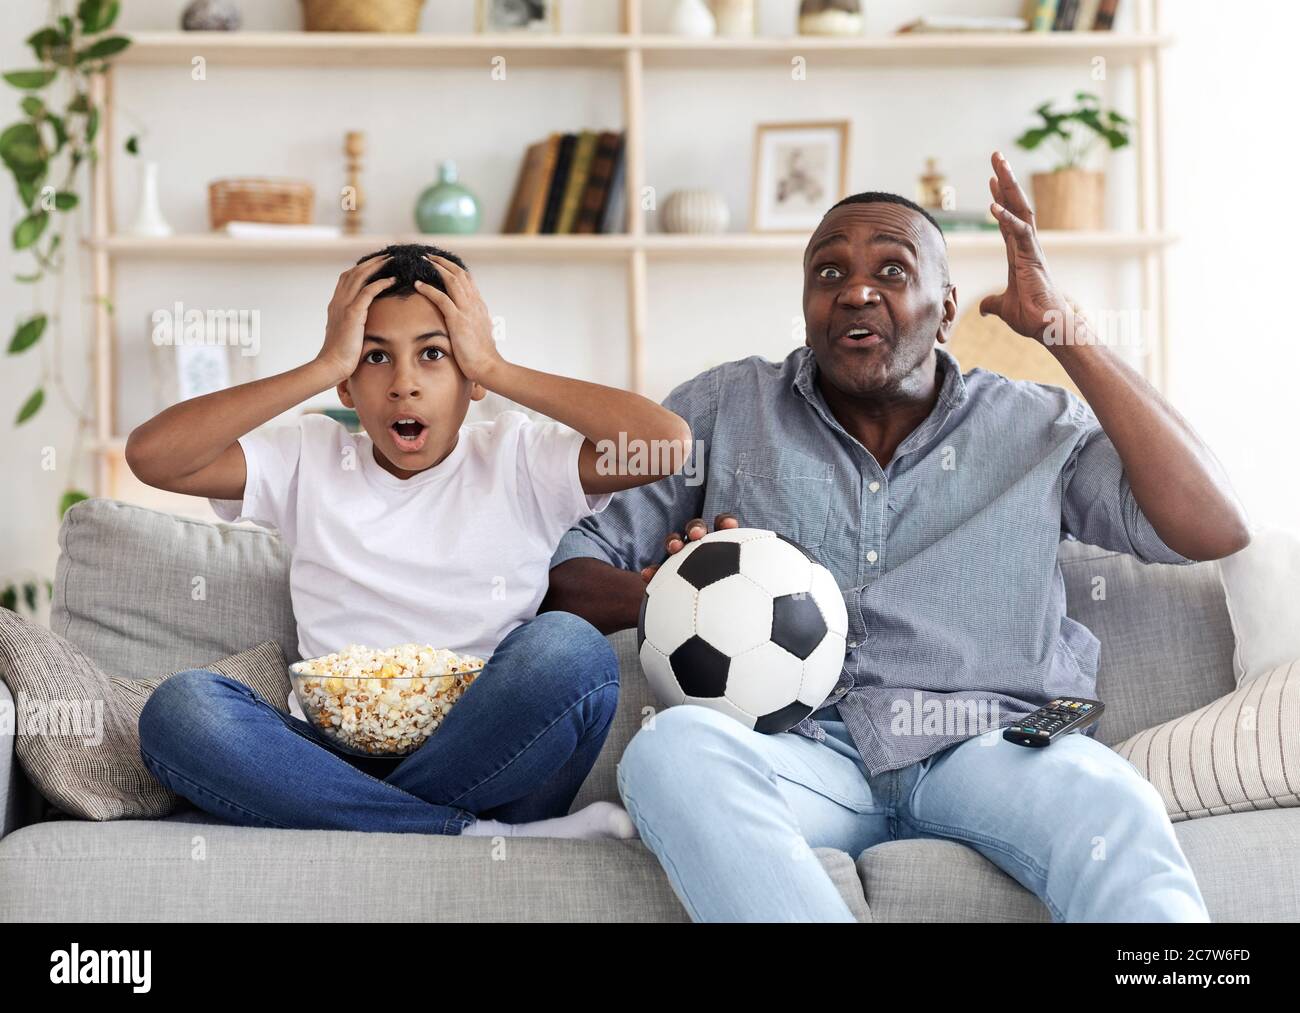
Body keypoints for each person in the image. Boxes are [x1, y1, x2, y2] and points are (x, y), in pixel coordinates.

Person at [542, 151, 1250, 919]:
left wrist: (1063, 328)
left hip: (990, 749)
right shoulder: (724, 406)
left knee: (1113, 801)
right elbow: (571, 570)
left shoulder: (1038, 426)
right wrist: (667, 590)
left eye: (891, 269)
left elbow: (1212, 527)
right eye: (828, 273)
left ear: (946, 309)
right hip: (801, 754)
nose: (855, 290)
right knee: (669, 753)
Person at [128, 243, 691, 839]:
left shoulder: (519, 457)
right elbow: (152, 457)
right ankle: (465, 834)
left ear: (469, 375)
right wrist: (321, 366)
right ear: (347, 384)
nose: (404, 385)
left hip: (492, 754)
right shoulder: (308, 457)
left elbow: (667, 445)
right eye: (374, 357)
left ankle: (380, 820)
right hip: (329, 756)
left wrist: (497, 368)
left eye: (433, 354)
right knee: (182, 709)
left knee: (571, 649)